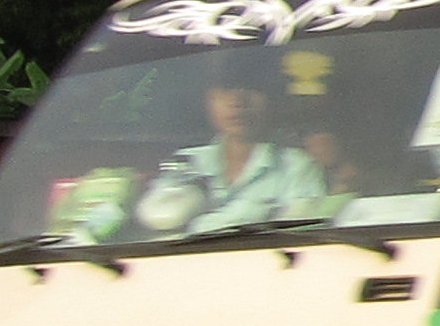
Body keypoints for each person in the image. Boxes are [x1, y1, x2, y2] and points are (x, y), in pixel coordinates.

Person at [133, 62, 333, 238]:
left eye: (251, 90)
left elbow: (297, 235)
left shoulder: (297, 166)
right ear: (208, 101)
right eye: (225, 90)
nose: (237, 102)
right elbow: (157, 217)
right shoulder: (188, 161)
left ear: (273, 100)